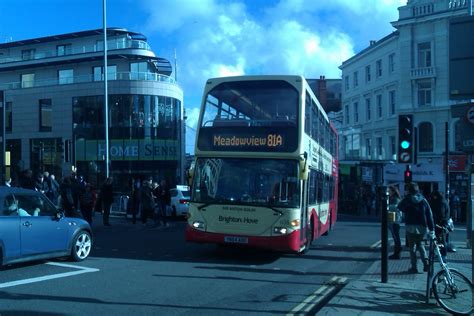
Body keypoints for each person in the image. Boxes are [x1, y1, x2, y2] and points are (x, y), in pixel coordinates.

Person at [398, 183, 435, 274]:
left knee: (412, 247)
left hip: (410, 226)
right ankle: (426, 264)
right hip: (422, 226)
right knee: (421, 245)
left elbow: (399, 207)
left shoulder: (407, 200)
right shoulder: (423, 200)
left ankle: (414, 267)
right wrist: (431, 229)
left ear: (409, 191)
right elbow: (429, 215)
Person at [430, 190, 450, 263]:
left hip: (440, 225)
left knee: (441, 241)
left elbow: (441, 214)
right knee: (441, 240)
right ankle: (441, 255)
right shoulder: (443, 201)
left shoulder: (440, 203)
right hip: (442, 224)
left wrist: (437, 223)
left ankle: (443, 256)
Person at [388, 186, 402, 259]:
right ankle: (396, 253)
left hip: (394, 221)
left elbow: (393, 208)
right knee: (395, 237)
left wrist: (387, 207)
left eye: (389, 191)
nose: (388, 192)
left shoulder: (395, 199)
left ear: (393, 191)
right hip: (394, 220)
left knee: (396, 238)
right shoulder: (394, 198)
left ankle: (397, 254)